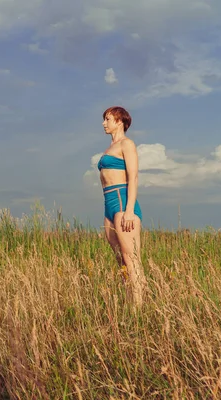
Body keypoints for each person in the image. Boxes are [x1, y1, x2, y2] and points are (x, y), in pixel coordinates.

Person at [97, 106, 146, 307]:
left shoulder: (127, 144)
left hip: (123, 202)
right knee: (121, 260)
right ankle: (129, 302)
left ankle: (139, 309)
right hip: (108, 203)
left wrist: (129, 210)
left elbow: (133, 177)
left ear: (119, 121)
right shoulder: (109, 148)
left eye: (107, 119)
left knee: (131, 258)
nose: (103, 123)